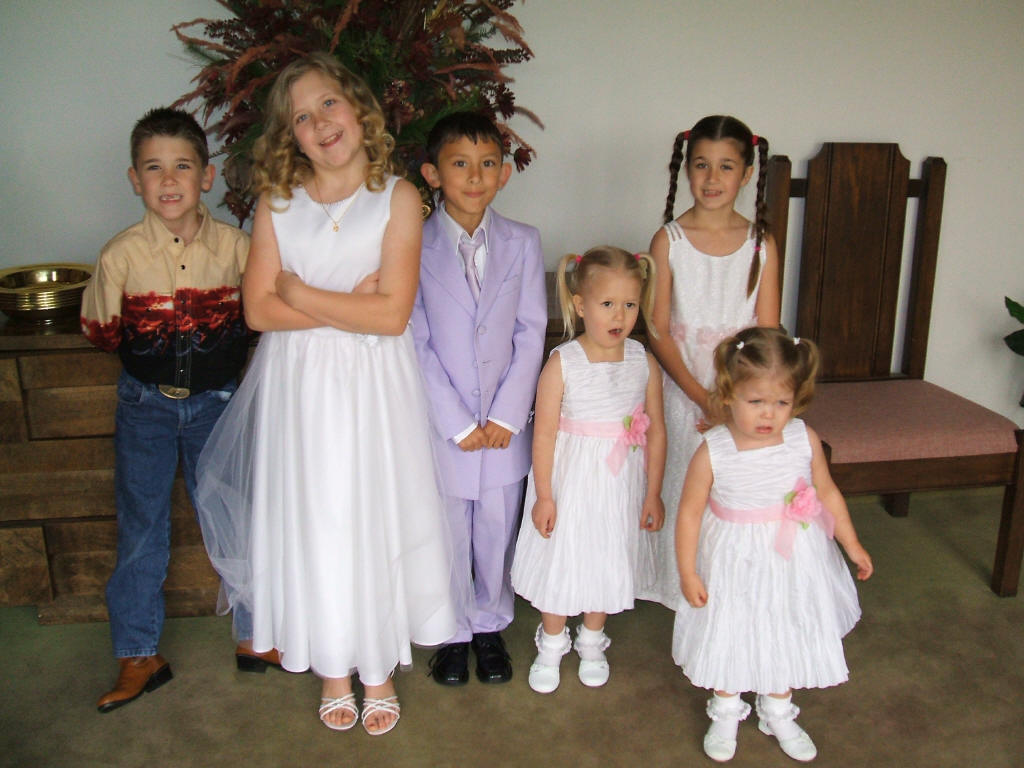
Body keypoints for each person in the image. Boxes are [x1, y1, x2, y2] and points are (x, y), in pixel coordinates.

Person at [194, 52, 456, 736]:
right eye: (302, 118)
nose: (320, 123)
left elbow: (391, 316)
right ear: (292, 137)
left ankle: (377, 665)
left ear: (359, 108)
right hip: (302, 386)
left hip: (375, 387)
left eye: (328, 104)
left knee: (372, 510)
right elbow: (259, 311)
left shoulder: (399, 197)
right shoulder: (278, 204)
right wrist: (345, 304)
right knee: (319, 516)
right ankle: (335, 666)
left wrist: (301, 292)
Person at [81, 107, 252, 712]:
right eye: (154, 168)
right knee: (141, 528)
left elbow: (259, 318)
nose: (169, 179)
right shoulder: (120, 256)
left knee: (235, 515)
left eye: (183, 165)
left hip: (217, 407)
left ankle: (258, 633)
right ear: (136, 180)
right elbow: (102, 330)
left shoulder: (237, 249)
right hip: (145, 409)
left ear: (207, 177)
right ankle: (137, 653)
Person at [673, 327, 873, 762]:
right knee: (733, 626)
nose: (769, 414)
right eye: (756, 402)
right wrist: (687, 572)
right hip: (734, 559)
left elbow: (826, 492)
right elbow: (688, 512)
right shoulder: (714, 449)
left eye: (782, 403)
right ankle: (726, 708)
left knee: (786, 622)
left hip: (794, 558)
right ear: (729, 394)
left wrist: (851, 542)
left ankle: (777, 708)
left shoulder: (803, 438)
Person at [412, 112, 547, 687]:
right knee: (447, 530)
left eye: (488, 164)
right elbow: (414, 339)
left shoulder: (523, 241)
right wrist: (456, 420)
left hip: (502, 425)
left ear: (504, 174)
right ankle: (451, 631)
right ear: (432, 174)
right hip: (445, 426)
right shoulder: (412, 244)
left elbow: (531, 330)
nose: (475, 176)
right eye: (460, 164)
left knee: (496, 527)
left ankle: (489, 624)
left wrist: (507, 415)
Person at [639, 115, 781, 609]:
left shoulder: (761, 245)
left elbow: (768, 336)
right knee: (685, 485)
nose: (713, 178)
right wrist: (703, 398)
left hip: (743, 395)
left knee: (734, 493)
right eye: (702, 165)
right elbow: (658, 329)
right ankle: (681, 587)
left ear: (747, 174)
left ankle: (729, 589)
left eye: (726, 166)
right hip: (686, 391)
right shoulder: (669, 241)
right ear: (686, 169)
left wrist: (738, 402)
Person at [510, 247, 667, 694]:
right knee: (563, 555)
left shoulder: (642, 360)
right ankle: (552, 639)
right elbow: (543, 434)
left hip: (620, 485)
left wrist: (653, 491)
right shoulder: (563, 363)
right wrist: (544, 494)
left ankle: (593, 637)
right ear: (580, 305)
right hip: (571, 482)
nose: (620, 315)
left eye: (630, 304)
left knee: (607, 553)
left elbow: (656, 430)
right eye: (607, 303)